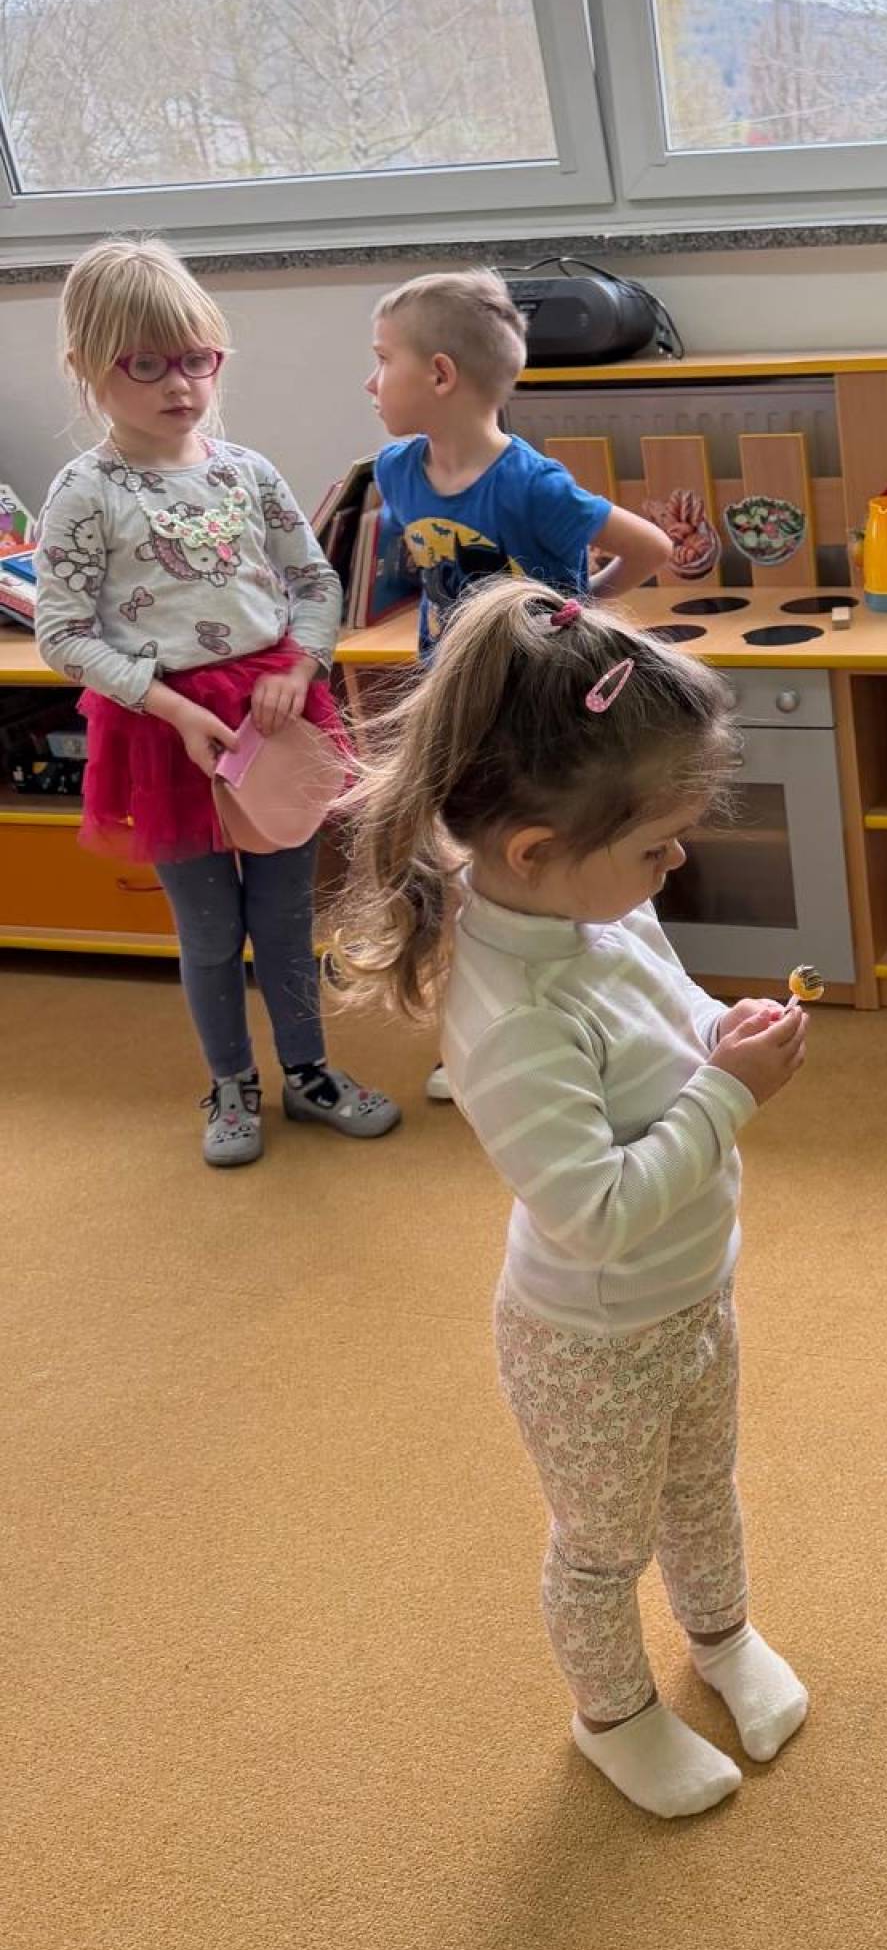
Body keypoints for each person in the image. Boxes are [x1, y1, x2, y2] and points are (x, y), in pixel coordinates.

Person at [328, 580, 810, 1818]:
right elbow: (592, 1211)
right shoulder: (511, 1015)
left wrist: (722, 1030)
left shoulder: (606, 909)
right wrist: (731, 1093)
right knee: (603, 1549)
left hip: (689, 1291)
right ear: (536, 851)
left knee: (704, 1486)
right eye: (656, 844)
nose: (675, 861)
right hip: (590, 1340)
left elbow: (669, 1014)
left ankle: (723, 1637)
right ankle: (615, 1717)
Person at [33, 237, 399, 1167]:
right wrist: (171, 709)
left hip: (275, 719)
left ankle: (308, 1074)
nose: (180, 384)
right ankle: (231, 1082)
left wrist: (300, 666)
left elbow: (314, 583)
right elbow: (62, 634)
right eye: (146, 365)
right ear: (86, 368)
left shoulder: (247, 470)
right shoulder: (84, 493)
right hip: (166, 733)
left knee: (284, 921)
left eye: (199, 360)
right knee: (208, 931)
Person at [364, 267, 672, 1098]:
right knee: (470, 877)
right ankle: (487, 1034)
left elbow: (650, 549)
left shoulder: (534, 485)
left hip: (540, 713)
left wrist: (581, 609)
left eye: (383, 359)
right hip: (455, 705)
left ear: (440, 374)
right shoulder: (395, 470)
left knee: (558, 867)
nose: (369, 380)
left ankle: (605, 1019)